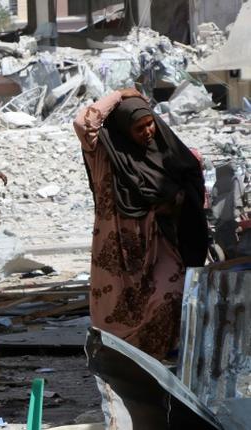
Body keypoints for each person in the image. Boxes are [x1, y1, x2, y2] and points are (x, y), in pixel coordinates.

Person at [74, 88, 209, 359]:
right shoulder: (102, 152)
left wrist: (176, 200)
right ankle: (128, 361)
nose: (148, 132)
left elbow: (187, 185)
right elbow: (83, 122)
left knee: (172, 294)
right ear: (124, 130)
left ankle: (164, 355)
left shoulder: (160, 155)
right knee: (116, 312)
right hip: (115, 248)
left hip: (157, 244)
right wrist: (120, 94)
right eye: (139, 128)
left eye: (150, 125)